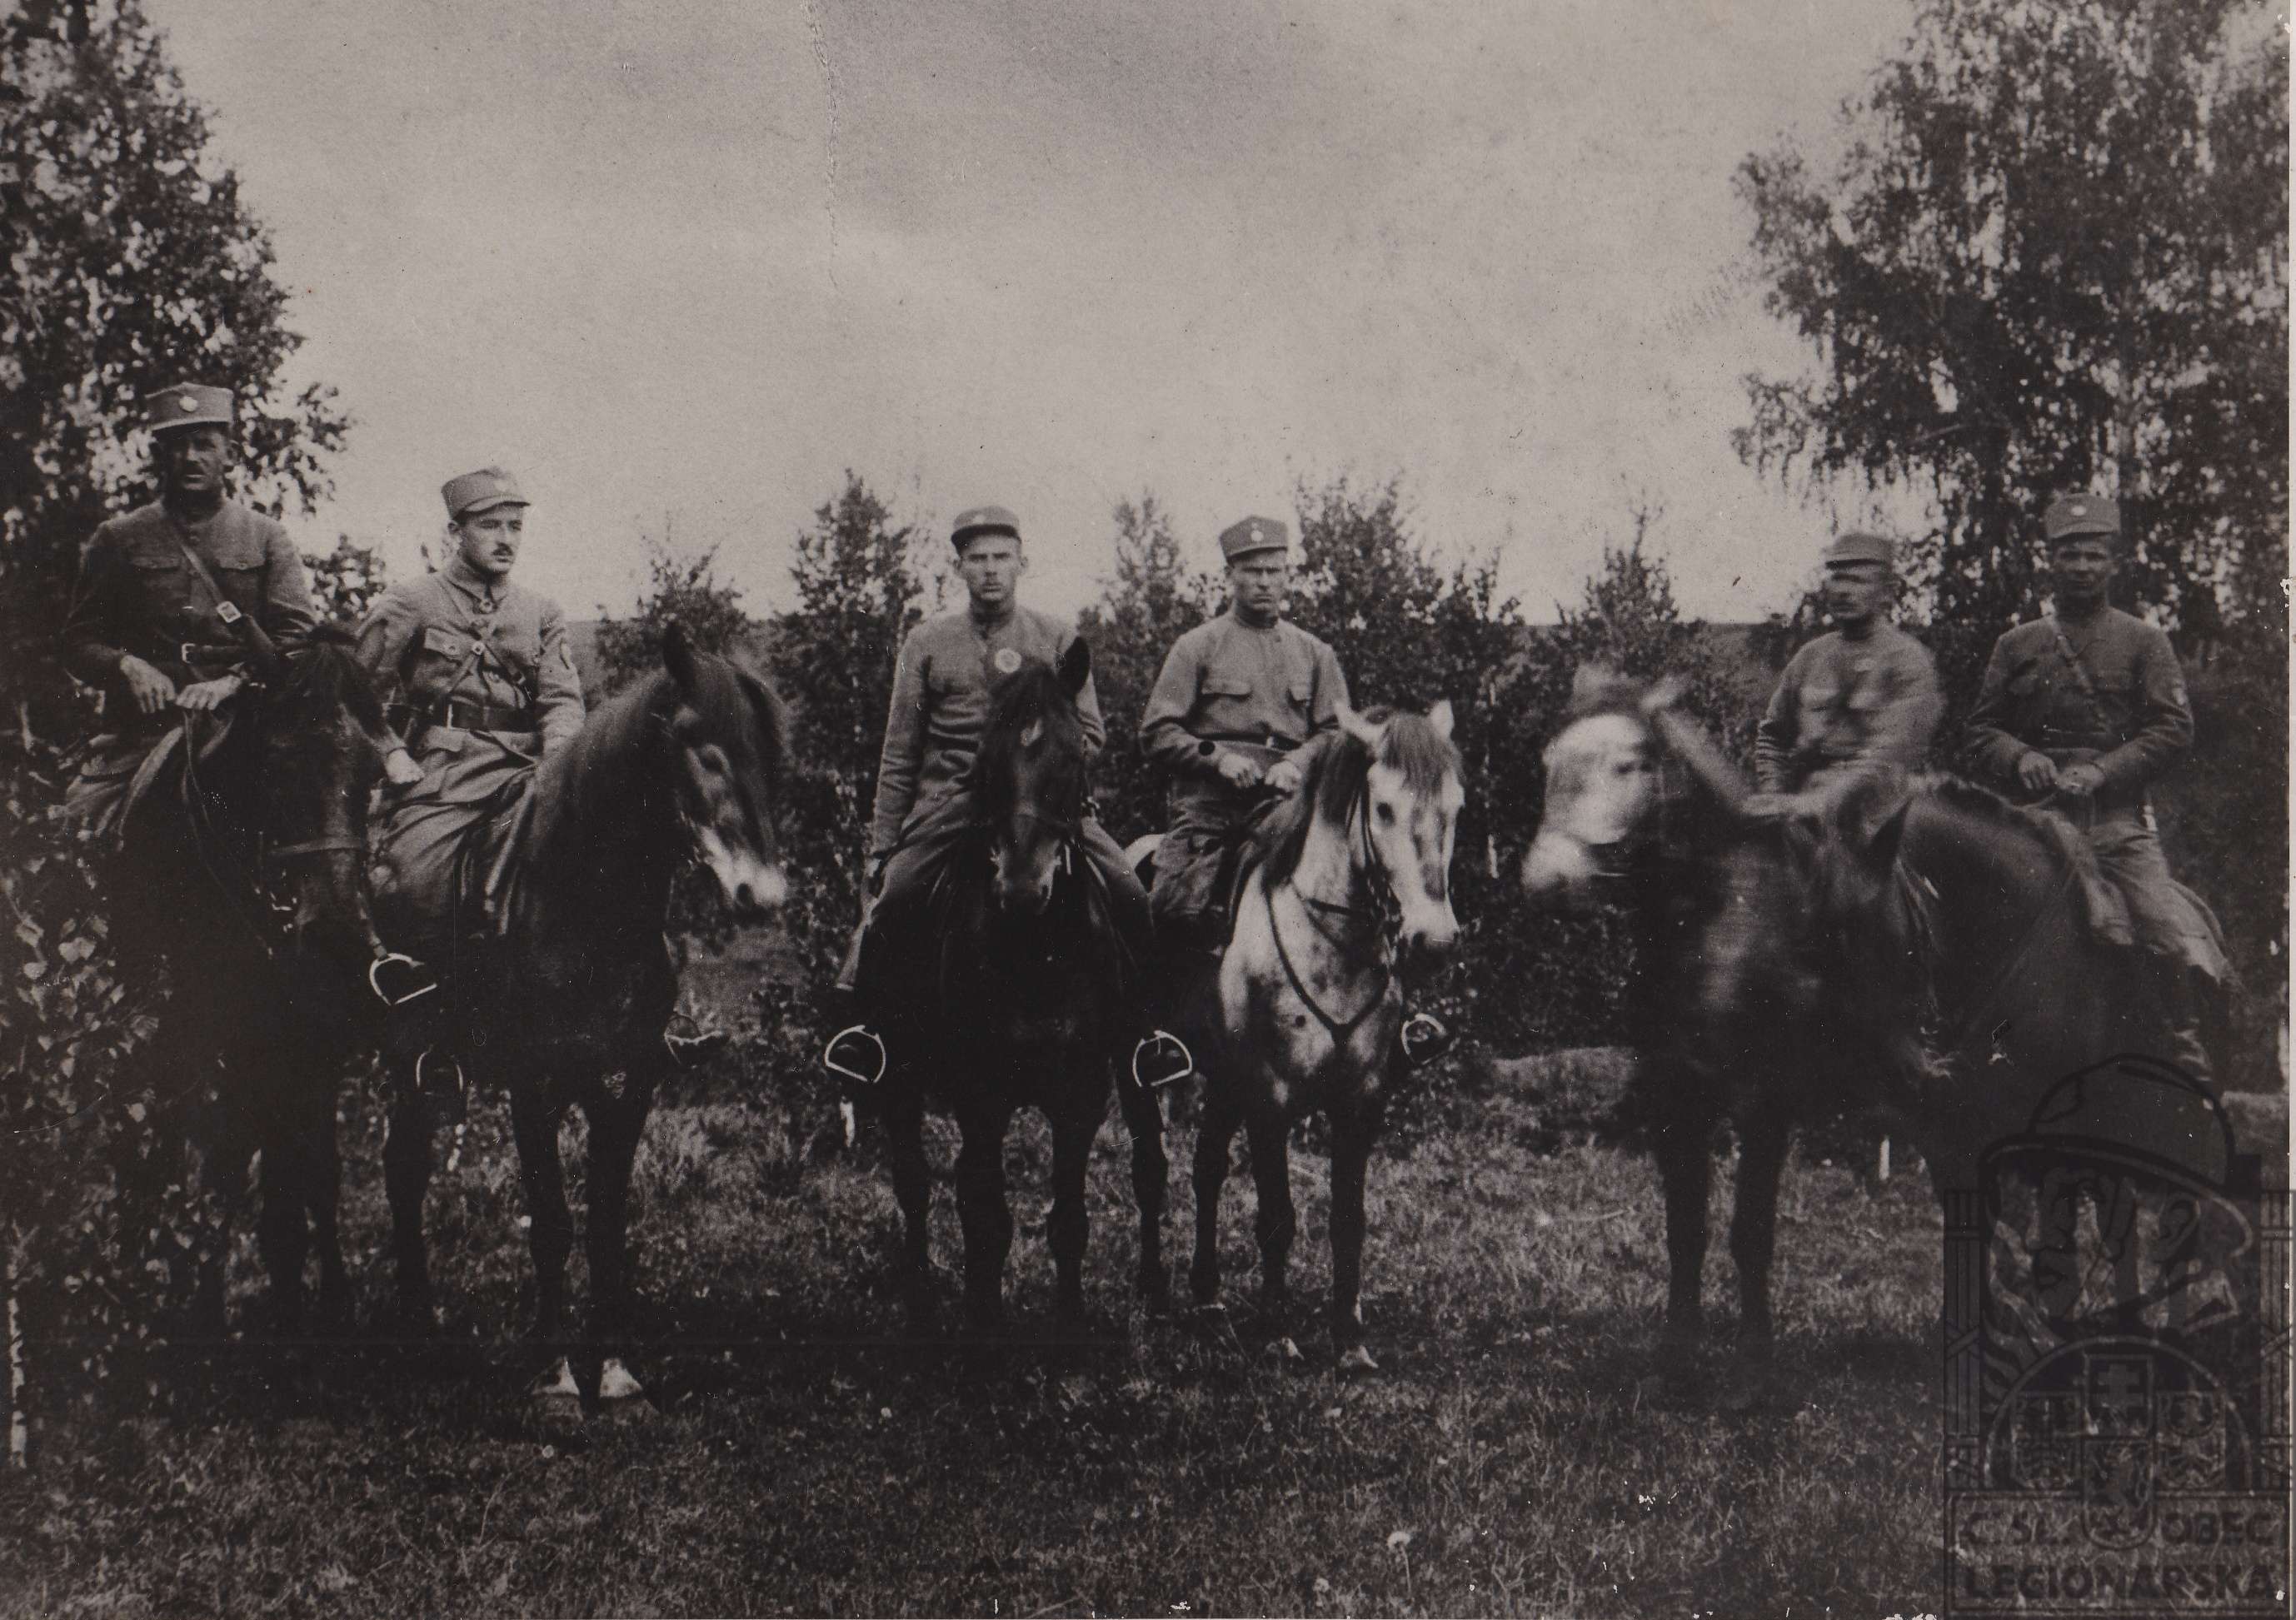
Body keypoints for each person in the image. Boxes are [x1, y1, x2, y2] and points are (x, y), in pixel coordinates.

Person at [825, 505, 1186, 1089]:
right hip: (950, 803)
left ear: (1023, 563)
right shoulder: (927, 642)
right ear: (959, 568)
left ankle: (1146, 1035)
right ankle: (869, 1030)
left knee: (1126, 888)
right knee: (897, 894)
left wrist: (1038, 752)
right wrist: (882, 845)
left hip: (1040, 805)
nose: (990, 569)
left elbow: (1091, 734)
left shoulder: (1057, 638)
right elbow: (900, 752)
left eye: (1001, 557)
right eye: (977, 559)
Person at [1963, 493, 2227, 1080]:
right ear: (2050, 562)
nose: (2081, 567)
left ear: (2113, 563)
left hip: (2114, 827)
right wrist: (2020, 756)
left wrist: (2104, 771)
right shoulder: (2016, 646)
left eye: (2093, 555)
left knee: (2164, 930)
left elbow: (2173, 728)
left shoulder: (2143, 642)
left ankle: (2183, 1047)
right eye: (2070, 555)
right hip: (2030, 827)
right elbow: (1979, 731)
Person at [355, 467, 584, 1119]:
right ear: (455, 531)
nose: (506, 538)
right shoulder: (412, 601)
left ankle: (596, 1025)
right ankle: (430, 1036)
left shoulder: (541, 611)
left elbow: (563, 701)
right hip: (443, 772)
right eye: (490, 526)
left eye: (516, 526)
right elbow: (353, 693)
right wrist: (390, 751)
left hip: (528, 772)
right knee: (413, 879)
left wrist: (559, 762)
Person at [62, 381, 333, 844]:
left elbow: (298, 641)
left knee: (320, 832)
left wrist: (234, 681)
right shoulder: (119, 537)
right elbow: (77, 642)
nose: (191, 458)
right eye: (178, 446)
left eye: (204, 445)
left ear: (230, 455)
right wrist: (128, 666)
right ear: (159, 455)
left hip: (247, 722)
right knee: (81, 825)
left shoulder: (265, 537)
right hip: (146, 730)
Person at [1141, 516, 1349, 950]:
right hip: (1211, 807)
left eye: (1274, 571)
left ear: (1287, 575)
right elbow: (1158, 730)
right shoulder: (1197, 646)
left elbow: (1335, 732)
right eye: (1252, 571)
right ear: (1230, 575)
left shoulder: (1315, 654)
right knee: (1175, 908)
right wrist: (1218, 759)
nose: (1264, 582)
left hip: (1289, 805)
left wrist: (1296, 763)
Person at [1747, 530, 1943, 825]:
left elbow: (1889, 755)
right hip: (1801, 812)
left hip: (1881, 819)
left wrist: (1817, 802)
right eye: (1837, 579)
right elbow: (1772, 736)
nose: (1843, 591)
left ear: (1886, 591)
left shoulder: (1908, 660)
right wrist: (1774, 792)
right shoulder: (1810, 657)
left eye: (1857, 581)